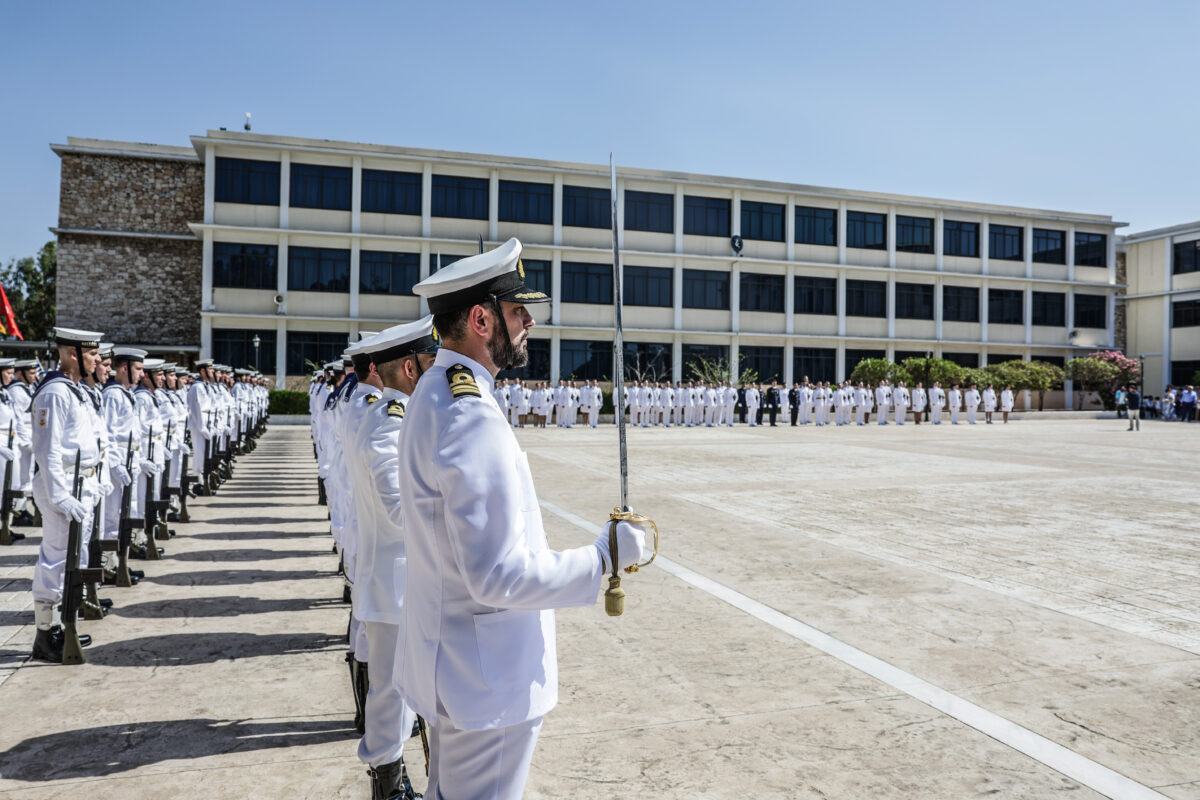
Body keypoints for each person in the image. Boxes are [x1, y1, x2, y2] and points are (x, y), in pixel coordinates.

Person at [399, 238, 648, 800]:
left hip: (459, 669)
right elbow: (499, 576)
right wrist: (606, 558)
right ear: (482, 319)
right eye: (518, 311)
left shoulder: (437, 393)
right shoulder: (469, 417)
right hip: (486, 684)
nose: (531, 321)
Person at [346, 318, 438, 800]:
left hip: (396, 582)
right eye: (428, 363)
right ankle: (388, 787)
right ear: (409, 366)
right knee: (392, 695)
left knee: (397, 693)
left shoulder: (386, 417)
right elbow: (401, 509)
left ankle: (393, 780)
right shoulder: (390, 424)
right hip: (395, 584)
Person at [30, 328, 105, 663]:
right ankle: (45, 635)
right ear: (73, 353)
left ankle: (65, 625)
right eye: (91, 354)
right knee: (57, 559)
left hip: (81, 486)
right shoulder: (55, 393)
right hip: (60, 487)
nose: (97, 360)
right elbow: (47, 450)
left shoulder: (75, 392)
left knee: (73, 562)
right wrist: (59, 495)